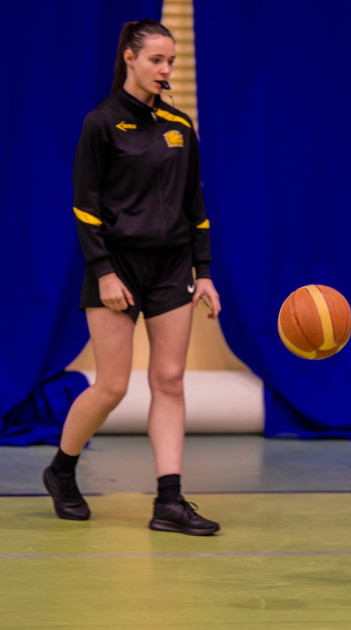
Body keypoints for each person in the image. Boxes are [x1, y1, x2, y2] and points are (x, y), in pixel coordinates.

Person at [44, 19, 221, 536]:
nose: (166, 69)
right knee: (113, 387)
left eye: (171, 61)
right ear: (129, 58)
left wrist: (203, 272)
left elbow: (196, 205)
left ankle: (169, 501)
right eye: (156, 60)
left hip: (172, 269)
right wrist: (102, 271)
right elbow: (85, 206)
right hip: (116, 266)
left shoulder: (180, 126)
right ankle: (61, 469)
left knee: (168, 380)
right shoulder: (100, 123)